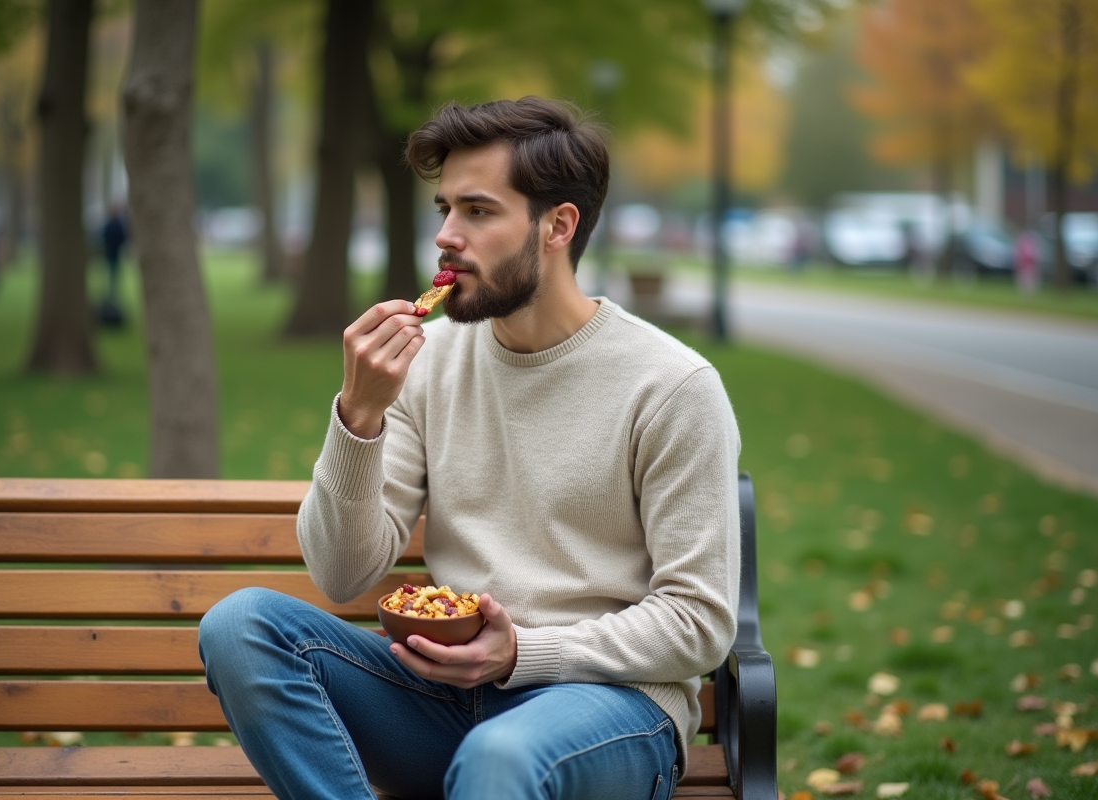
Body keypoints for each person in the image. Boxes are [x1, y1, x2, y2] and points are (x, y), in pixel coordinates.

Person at [199, 97, 742, 800]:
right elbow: (340, 573)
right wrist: (359, 417)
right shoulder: (429, 363)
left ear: (558, 225)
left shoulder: (672, 387)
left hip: (607, 709)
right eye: (444, 210)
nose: (447, 237)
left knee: (502, 755)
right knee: (242, 625)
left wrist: (523, 653)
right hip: (441, 701)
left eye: (478, 211)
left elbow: (699, 624)